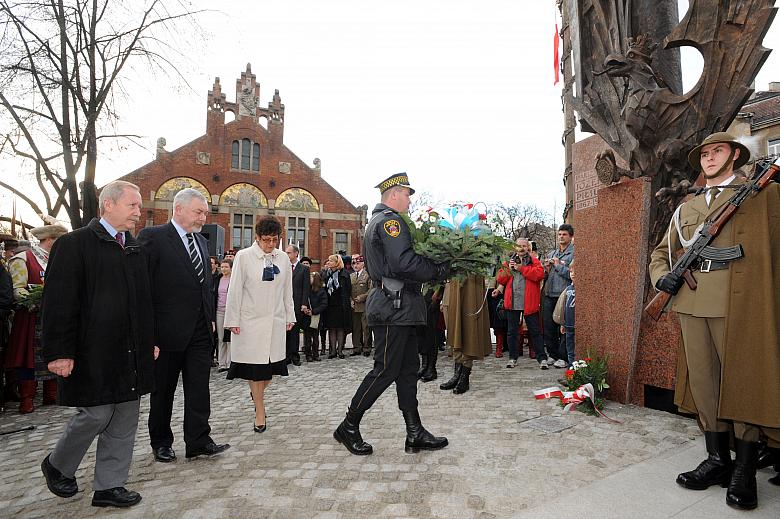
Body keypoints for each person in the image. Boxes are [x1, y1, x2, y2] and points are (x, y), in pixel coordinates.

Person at [649, 132, 780, 510]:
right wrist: (662, 277)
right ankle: (717, 459)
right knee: (705, 383)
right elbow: (663, 251)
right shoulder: (686, 208)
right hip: (691, 302)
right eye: (704, 154)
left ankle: (744, 468)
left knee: (742, 380)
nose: (709, 158)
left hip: (738, 303)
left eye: (717, 151)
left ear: (735, 155)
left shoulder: (755, 196)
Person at [39, 180, 154, 508]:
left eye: (139, 205)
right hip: (94, 351)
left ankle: (109, 486)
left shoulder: (134, 247)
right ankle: (58, 463)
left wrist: (150, 341)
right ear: (108, 205)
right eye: (132, 205)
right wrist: (59, 352)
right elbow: (58, 302)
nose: (138, 211)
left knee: (125, 416)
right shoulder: (74, 244)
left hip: (130, 350)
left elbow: (144, 302)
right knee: (96, 413)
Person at [334, 173, 449, 456]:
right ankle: (348, 425)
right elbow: (403, 262)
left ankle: (414, 432)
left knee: (408, 371)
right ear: (394, 194)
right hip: (392, 307)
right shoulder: (390, 222)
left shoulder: (382, 221)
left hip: (400, 307)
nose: (410, 199)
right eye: (407, 193)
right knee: (385, 369)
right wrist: (437, 269)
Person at [139, 187, 229, 463]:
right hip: (166, 333)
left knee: (199, 389)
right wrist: (148, 334)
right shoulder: (152, 238)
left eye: (205, 212)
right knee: (163, 390)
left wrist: (210, 320)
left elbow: (204, 288)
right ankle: (161, 442)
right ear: (178, 209)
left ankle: (198, 440)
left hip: (200, 331)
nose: (203, 217)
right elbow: (142, 288)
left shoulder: (201, 242)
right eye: (198, 212)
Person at [224, 216, 295, 433]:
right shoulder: (244, 257)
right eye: (266, 240)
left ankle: (257, 394)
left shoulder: (282, 258)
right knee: (255, 370)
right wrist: (232, 320)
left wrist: (290, 315)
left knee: (272, 370)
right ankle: (260, 412)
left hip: (275, 320)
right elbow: (234, 289)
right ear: (257, 238)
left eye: (274, 240)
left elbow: (287, 290)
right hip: (250, 323)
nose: (270, 244)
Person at [5, 223, 68, 413]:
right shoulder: (23, 259)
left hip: (53, 316)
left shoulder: (58, 259)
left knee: (54, 352)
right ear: (50, 239)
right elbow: (17, 289)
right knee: (29, 357)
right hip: (31, 316)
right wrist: (37, 298)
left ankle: (51, 394)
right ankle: (27, 398)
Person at [493, 238, 546, 369]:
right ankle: (512, 357)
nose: (521, 248)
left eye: (524, 246)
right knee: (512, 332)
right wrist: (508, 270)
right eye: (519, 246)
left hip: (529, 302)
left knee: (535, 331)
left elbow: (539, 275)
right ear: (515, 247)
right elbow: (500, 279)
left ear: (528, 247)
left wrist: (522, 268)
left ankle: (542, 358)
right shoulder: (508, 262)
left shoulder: (534, 261)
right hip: (513, 302)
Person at [440, 274, 492, 394]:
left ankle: (464, 377)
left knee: (469, 330)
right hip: (452, 287)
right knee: (454, 330)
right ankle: (457, 374)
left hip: (471, 284)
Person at [541, 224, 574, 368]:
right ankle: (552, 354)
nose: (561, 237)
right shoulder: (551, 253)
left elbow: (571, 274)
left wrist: (558, 265)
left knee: (564, 327)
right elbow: (544, 275)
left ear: (571, 236)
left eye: (564, 234)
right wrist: (546, 269)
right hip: (548, 293)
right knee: (549, 326)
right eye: (559, 234)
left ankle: (563, 357)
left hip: (563, 295)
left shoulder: (574, 254)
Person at [285, 244, 310, 366]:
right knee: (285, 332)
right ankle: (285, 356)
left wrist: (304, 304)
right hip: (284, 305)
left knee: (294, 332)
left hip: (297, 304)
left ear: (296, 253)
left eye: (289, 253)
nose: (287, 255)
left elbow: (306, 288)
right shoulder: (283, 267)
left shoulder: (303, 269)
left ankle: (295, 356)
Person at [322, 254, 352, 359]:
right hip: (330, 306)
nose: (328, 263)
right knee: (331, 328)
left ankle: (340, 351)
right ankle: (333, 350)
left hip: (341, 305)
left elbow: (348, 290)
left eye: (331, 261)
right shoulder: (326, 274)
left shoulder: (344, 274)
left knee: (340, 328)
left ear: (337, 263)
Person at [553, 260, 576, 367]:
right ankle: (571, 368)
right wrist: (562, 323)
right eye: (571, 271)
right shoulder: (568, 289)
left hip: (577, 324)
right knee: (569, 348)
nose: (573, 274)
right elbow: (563, 308)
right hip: (568, 324)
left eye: (576, 271)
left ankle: (577, 369)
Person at [349, 255, 372, 356]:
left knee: (366, 328)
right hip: (354, 306)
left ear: (363, 264)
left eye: (358, 263)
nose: (355, 265)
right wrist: (350, 300)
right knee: (356, 328)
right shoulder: (352, 276)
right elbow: (348, 290)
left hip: (365, 305)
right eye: (354, 263)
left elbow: (371, 289)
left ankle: (367, 348)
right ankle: (357, 347)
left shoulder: (368, 275)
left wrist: (363, 297)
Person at [303, 271, 327, 362]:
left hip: (316, 317)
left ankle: (315, 354)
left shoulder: (321, 291)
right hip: (307, 316)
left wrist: (314, 311)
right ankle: (308, 354)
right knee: (307, 337)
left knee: (316, 337)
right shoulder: (307, 290)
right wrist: (306, 310)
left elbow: (324, 304)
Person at [215, 259, 233, 372]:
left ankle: (230, 362)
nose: (224, 269)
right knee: (221, 338)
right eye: (222, 267)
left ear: (231, 268)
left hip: (230, 311)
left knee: (230, 338)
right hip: (219, 311)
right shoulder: (218, 280)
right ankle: (221, 363)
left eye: (226, 267)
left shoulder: (234, 279)